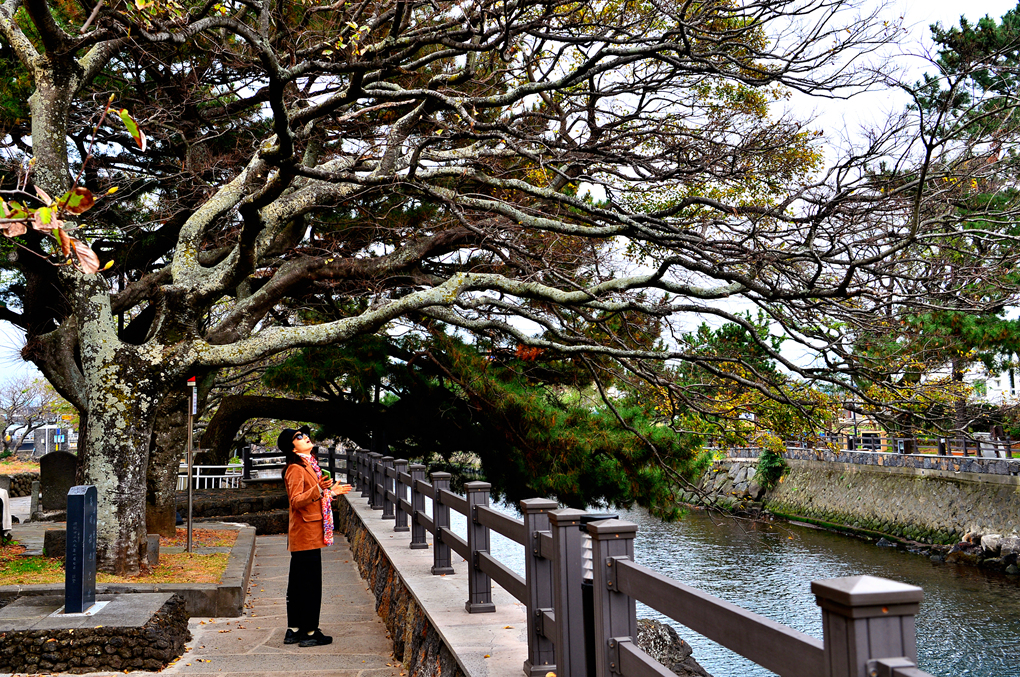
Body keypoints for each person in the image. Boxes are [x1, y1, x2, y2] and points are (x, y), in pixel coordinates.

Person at [278, 425, 352, 647]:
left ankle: (294, 630)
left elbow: (312, 497)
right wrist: (319, 489)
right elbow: (296, 501)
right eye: (299, 437)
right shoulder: (295, 468)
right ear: (292, 447)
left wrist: (330, 492)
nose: (306, 437)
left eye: (305, 435)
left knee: (298, 583)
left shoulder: (308, 465)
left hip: (307, 531)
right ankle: (309, 632)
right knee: (309, 584)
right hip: (305, 532)